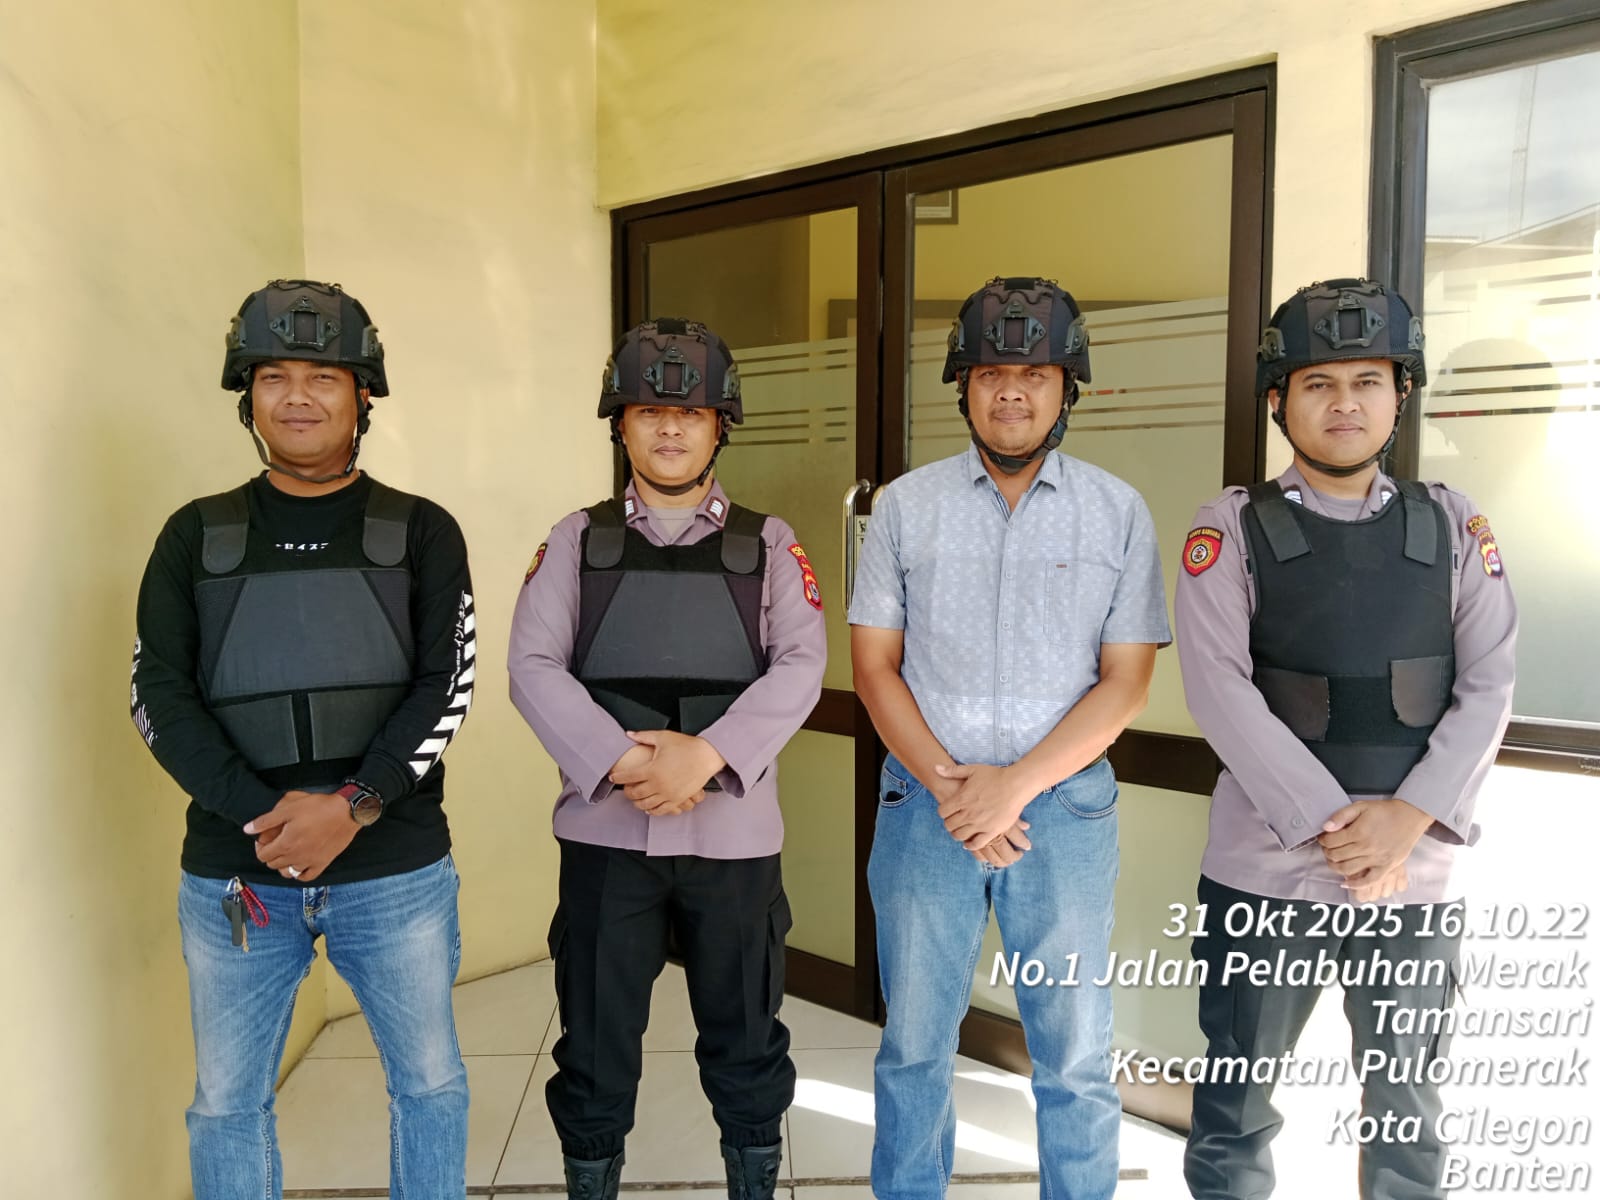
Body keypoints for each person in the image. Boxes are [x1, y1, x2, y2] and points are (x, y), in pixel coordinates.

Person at [130, 279, 476, 1200]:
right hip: (239, 872)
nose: (297, 396)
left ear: (362, 395)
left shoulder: (422, 531)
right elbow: (156, 694)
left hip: (394, 868)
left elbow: (447, 686)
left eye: (323, 376)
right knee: (226, 1104)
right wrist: (269, 817)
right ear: (247, 397)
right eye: (273, 376)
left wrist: (353, 806)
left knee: (430, 1087)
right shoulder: (194, 535)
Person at [1175, 278, 1517, 1200]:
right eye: (1318, 383)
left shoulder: (1453, 523)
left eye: (1368, 381)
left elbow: (1490, 683)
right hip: (1267, 873)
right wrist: (1340, 828)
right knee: (1237, 1103)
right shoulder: (1229, 527)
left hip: (1414, 875)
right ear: (1278, 399)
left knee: (1408, 1108)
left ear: (1400, 396)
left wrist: (1406, 821)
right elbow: (1218, 690)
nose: (1345, 403)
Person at [849, 276, 1172, 1199]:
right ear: (963, 386)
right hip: (927, 807)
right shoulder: (906, 506)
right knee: (914, 1044)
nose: (1012, 393)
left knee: (1074, 1051)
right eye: (992, 373)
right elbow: (874, 667)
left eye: (1035, 374)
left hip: (1062, 815)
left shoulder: (1117, 510)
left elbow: (1127, 681)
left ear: (1068, 387)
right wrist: (956, 787)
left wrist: (1012, 787)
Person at [506, 318, 825, 1200]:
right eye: (650, 411)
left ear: (721, 425)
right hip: (608, 840)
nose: (671, 428)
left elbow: (803, 664)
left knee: (747, 1042)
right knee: (595, 1047)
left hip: (734, 843)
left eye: (691, 412)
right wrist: (624, 764)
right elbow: (532, 666)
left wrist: (707, 756)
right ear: (621, 424)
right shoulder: (578, 540)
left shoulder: (769, 544)